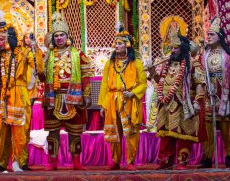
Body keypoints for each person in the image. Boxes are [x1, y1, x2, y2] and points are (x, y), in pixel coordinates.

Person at [0, 14, 45, 173]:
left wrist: (35, 50)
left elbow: (39, 69)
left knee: (19, 131)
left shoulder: (24, 53)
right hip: (1, 95)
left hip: (19, 93)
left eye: (1, 39)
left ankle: (18, 162)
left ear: (10, 39)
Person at [148, 24, 206, 170]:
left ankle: (182, 161)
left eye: (175, 48)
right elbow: (159, 81)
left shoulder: (192, 63)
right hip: (167, 103)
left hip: (184, 102)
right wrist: (152, 71)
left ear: (183, 49)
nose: (172, 51)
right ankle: (166, 161)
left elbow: (200, 82)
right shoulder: (167, 63)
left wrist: (198, 102)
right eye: (171, 48)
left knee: (183, 133)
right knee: (166, 133)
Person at [43, 11, 94, 171]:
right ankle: (52, 163)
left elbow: (86, 75)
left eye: (61, 35)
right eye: (56, 35)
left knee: (75, 133)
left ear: (67, 37)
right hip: (53, 98)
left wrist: (86, 94)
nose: (59, 38)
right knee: (53, 132)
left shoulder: (77, 54)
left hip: (74, 97)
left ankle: (76, 163)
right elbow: (41, 75)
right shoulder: (48, 55)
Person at [98, 23, 147, 170]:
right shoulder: (110, 63)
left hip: (130, 100)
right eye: (116, 43)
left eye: (119, 43)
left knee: (131, 131)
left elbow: (143, 84)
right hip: (112, 100)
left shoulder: (136, 63)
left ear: (127, 45)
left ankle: (130, 161)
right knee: (114, 132)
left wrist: (133, 92)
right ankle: (115, 161)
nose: (116, 46)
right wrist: (103, 105)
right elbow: (104, 85)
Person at [199, 17, 230, 168]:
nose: (209, 37)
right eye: (208, 34)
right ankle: (207, 157)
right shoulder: (204, 56)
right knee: (208, 128)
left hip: (224, 95)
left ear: (220, 36)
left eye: (212, 34)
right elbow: (199, 75)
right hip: (209, 95)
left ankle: (229, 155)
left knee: (226, 128)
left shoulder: (227, 57)